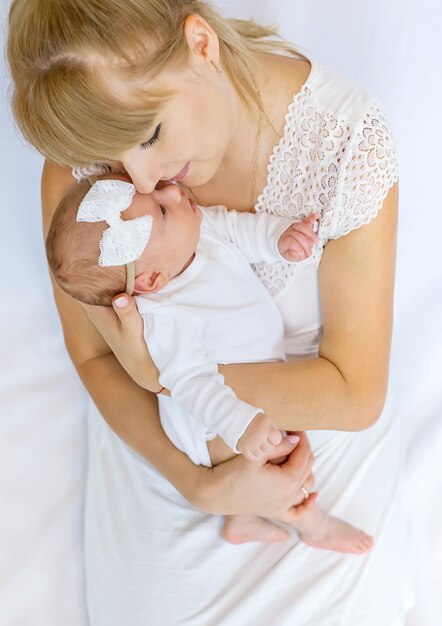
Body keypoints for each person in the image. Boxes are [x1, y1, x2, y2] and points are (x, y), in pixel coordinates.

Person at [7, 1, 414, 624]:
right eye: (117, 160)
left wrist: (164, 376)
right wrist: (197, 483)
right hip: (161, 464)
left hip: (310, 465)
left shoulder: (344, 144)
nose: (140, 178)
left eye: (148, 136)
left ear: (201, 43)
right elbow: (92, 357)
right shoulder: (85, 164)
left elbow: (355, 395)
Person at [46, 174, 374, 553]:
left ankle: (240, 520)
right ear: (153, 278)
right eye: (164, 210)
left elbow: (239, 231)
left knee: (286, 436)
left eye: (155, 193)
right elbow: (189, 381)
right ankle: (313, 524)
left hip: (254, 384)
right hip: (211, 423)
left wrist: (279, 241)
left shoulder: (194, 231)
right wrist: (239, 424)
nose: (172, 191)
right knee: (282, 456)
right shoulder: (163, 318)